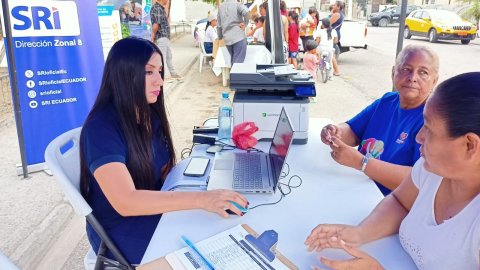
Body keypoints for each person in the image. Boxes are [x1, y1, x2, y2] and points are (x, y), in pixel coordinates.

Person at [80, 38, 249, 265]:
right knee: (213, 245)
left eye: (159, 71)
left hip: (151, 208)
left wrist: (202, 184)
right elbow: (125, 201)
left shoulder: (149, 115)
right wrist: (200, 198)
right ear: (123, 73)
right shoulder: (101, 128)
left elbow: (164, 171)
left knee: (219, 224)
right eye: (149, 72)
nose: (160, 80)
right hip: (120, 230)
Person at [306, 72, 480, 270]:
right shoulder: (430, 169)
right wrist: (360, 232)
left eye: (429, 130)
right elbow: (400, 202)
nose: (419, 137)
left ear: (469, 146)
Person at [320, 45, 440, 195]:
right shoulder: (387, 101)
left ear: (434, 81)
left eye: (423, 72)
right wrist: (334, 131)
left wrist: (361, 163)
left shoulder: (432, 121)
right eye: (405, 69)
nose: (412, 78)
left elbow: (419, 179)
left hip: (388, 202)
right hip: (357, 185)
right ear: (393, 72)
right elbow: (352, 131)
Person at [150, 0, 184, 82]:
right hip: (161, 37)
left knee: (169, 56)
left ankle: (173, 74)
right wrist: (153, 36)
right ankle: (162, 76)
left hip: (165, 37)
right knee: (162, 57)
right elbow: (156, 25)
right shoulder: (157, 8)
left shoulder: (160, 8)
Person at [330, 1, 344, 76]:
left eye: (334, 5)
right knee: (332, 53)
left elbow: (328, 23)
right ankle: (333, 69)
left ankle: (337, 70)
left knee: (331, 53)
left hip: (333, 34)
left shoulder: (337, 14)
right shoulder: (340, 14)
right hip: (336, 34)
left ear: (338, 7)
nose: (333, 6)